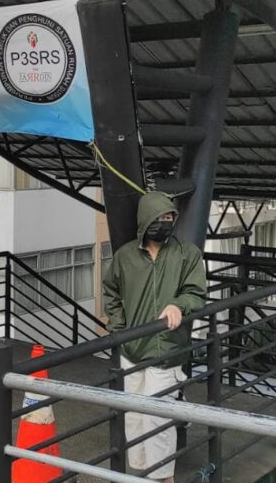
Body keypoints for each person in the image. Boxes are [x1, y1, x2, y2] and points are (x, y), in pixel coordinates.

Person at [102, 191, 207, 483]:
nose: (165, 223)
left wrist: (178, 305)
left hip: (167, 350)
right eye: (159, 217)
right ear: (145, 220)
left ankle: (162, 478)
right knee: (133, 415)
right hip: (131, 351)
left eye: (169, 217)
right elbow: (111, 291)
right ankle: (140, 472)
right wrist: (120, 330)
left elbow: (196, 293)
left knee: (157, 418)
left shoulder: (187, 254)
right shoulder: (125, 256)